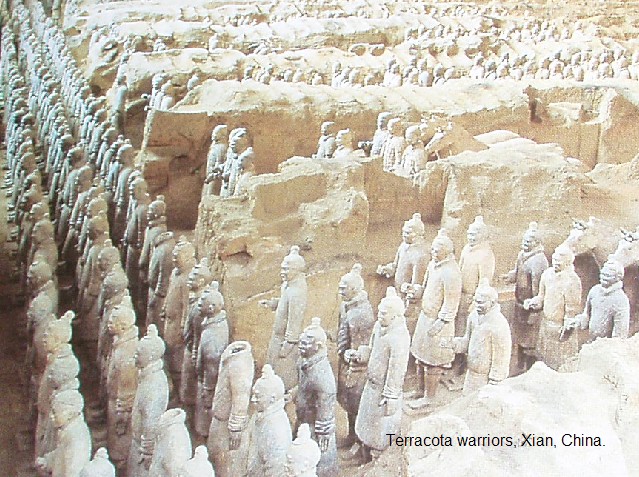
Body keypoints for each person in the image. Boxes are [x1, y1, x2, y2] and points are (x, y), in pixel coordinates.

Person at [352, 287, 410, 462]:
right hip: (371, 387)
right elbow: (371, 348)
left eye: (384, 313)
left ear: (395, 316)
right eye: (379, 312)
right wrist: (360, 355)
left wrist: (391, 395)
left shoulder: (399, 337)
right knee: (365, 423)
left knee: (380, 432)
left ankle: (375, 459)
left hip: (383, 393)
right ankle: (362, 450)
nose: (379, 315)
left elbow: (397, 370)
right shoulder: (379, 326)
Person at [406, 229, 461, 409]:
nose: (433, 253)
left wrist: (441, 323)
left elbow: (451, 302)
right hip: (425, 318)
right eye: (433, 250)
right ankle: (420, 390)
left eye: (437, 250)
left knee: (433, 362)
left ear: (447, 251)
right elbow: (425, 286)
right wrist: (415, 291)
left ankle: (430, 397)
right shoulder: (432, 265)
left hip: (439, 323)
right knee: (420, 357)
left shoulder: (451, 273)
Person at [524, 245, 581, 370]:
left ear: (567, 263)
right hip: (545, 325)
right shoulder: (547, 274)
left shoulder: (572, 281)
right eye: (554, 261)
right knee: (543, 361)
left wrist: (566, 329)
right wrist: (532, 302)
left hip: (560, 329)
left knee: (560, 365)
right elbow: (541, 297)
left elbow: (572, 309)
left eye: (559, 263)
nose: (555, 264)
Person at [502, 222, 548, 371]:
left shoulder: (539, 261)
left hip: (531, 308)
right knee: (519, 337)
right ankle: (519, 366)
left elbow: (538, 289)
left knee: (530, 341)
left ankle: (529, 368)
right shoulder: (522, 254)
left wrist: (536, 310)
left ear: (537, 243)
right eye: (524, 240)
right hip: (520, 304)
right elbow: (518, 272)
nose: (524, 243)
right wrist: (510, 277)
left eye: (528, 241)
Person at [453, 279, 512, 394]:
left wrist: (495, 380)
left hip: (487, 379)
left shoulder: (499, 325)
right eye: (476, 301)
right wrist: (454, 344)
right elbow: (467, 340)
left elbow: (501, 357)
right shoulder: (473, 316)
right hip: (471, 374)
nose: (477, 306)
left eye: (481, 303)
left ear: (492, 303)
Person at [570, 259, 630, 342]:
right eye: (603, 274)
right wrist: (577, 322)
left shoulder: (620, 300)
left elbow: (620, 335)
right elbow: (587, 315)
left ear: (618, 277)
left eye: (608, 276)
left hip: (606, 348)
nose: (604, 277)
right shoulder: (595, 291)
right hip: (591, 342)